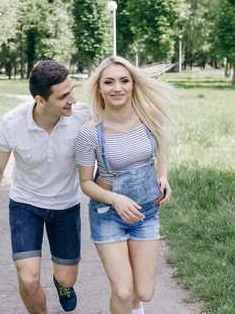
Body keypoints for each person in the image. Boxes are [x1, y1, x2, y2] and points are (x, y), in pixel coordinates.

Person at [0, 60, 91, 313]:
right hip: (25, 206)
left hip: (66, 206)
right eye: (63, 96)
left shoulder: (83, 116)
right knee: (28, 280)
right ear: (40, 101)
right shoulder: (12, 123)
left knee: (66, 278)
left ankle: (62, 285)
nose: (72, 99)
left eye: (72, 91)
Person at [75, 56, 174, 314]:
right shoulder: (89, 132)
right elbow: (85, 183)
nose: (116, 88)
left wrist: (163, 176)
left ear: (133, 85)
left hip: (146, 212)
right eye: (109, 82)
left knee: (143, 293)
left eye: (123, 81)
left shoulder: (150, 118)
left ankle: (135, 307)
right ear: (99, 88)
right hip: (108, 215)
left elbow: (162, 150)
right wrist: (116, 200)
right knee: (122, 291)